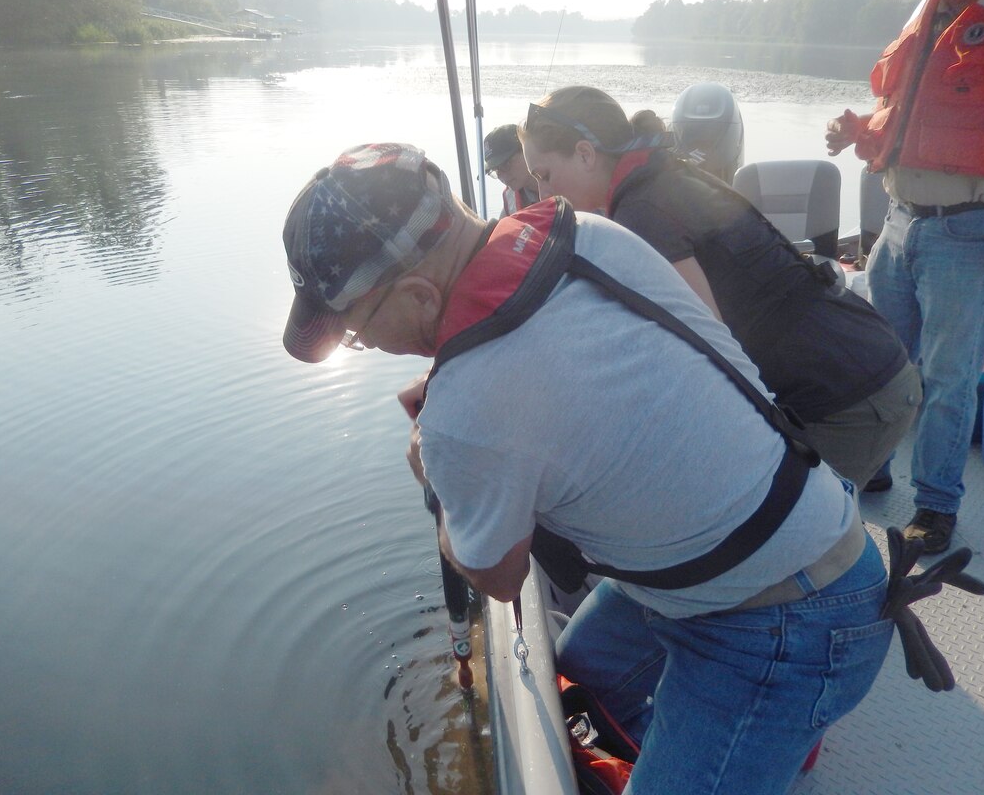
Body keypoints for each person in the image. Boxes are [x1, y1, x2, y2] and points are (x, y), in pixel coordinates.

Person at [279, 142, 894, 793]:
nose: (367, 345)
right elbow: (536, 343)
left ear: (418, 294)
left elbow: (498, 574)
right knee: (577, 686)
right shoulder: (589, 237)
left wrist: (431, 470)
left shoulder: (462, 421)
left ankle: (771, 736)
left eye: (356, 329)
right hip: (818, 533)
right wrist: (455, 380)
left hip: (788, 628)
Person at [518, 85, 923, 491]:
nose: (541, 195)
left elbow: (708, 344)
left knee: (794, 537)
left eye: (545, 175)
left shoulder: (642, 210)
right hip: (868, 362)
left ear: (586, 154)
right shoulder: (662, 174)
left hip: (850, 400)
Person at [825, 0, 984, 553]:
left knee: (948, 378)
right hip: (898, 219)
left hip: (973, 234)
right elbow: (912, 107)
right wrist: (860, 129)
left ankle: (936, 506)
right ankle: (874, 465)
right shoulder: (932, 10)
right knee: (882, 362)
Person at [483, 123, 539, 216]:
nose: (502, 176)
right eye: (495, 170)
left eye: (506, 164)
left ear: (526, 149)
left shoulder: (563, 177)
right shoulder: (510, 205)